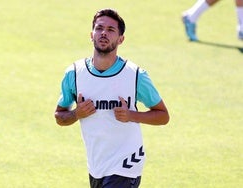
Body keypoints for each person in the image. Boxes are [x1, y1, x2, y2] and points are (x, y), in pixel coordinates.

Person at [54, 8, 169, 188]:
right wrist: (77, 113)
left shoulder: (135, 75)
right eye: (99, 28)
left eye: (111, 30)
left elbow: (163, 116)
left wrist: (131, 115)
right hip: (97, 166)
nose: (103, 33)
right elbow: (59, 117)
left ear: (121, 39)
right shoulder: (74, 74)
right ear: (91, 35)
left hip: (127, 162)